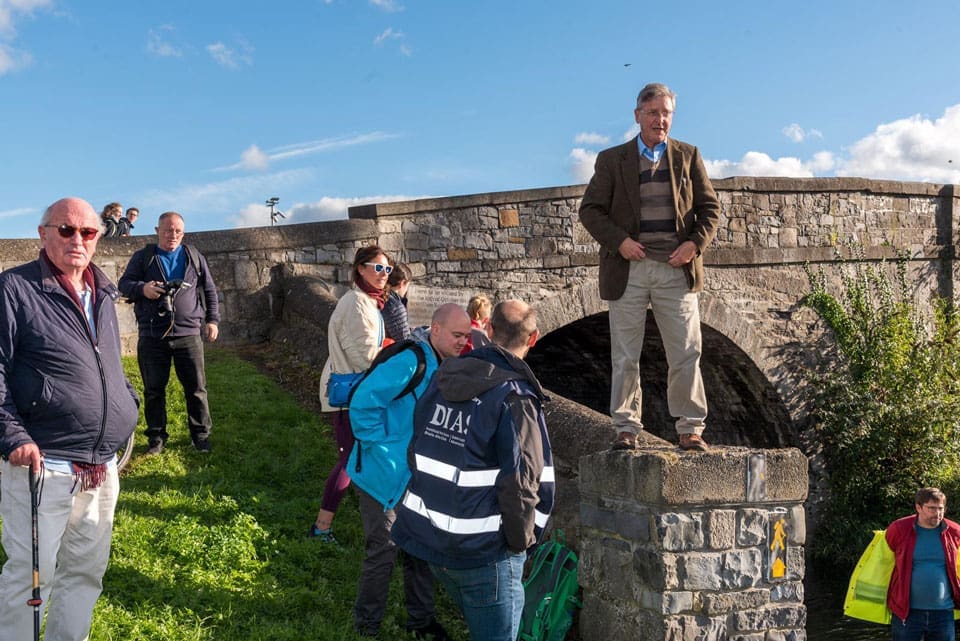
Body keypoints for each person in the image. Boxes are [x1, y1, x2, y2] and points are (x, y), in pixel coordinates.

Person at [0, 197, 140, 640]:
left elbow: (107, 364)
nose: (77, 239)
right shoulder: (14, 289)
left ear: (98, 238)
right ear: (43, 235)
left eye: (88, 232)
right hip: (43, 463)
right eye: (66, 230)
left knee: (84, 573)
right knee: (30, 576)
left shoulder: (102, 291)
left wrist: (127, 403)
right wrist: (13, 435)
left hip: (101, 464)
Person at [393, 300, 555, 641]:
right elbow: (522, 484)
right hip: (486, 554)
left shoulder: (443, 378)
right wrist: (520, 545)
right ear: (535, 337)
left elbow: (418, 447)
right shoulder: (515, 397)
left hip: (431, 541)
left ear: (489, 331)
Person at [578, 82, 721, 452]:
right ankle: (626, 427)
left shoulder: (688, 156)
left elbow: (710, 210)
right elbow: (591, 210)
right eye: (654, 112)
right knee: (626, 352)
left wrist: (694, 244)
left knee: (686, 351)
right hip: (630, 266)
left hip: (676, 267)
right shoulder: (612, 160)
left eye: (667, 113)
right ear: (638, 115)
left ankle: (690, 428)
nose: (661, 120)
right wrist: (619, 242)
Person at [348, 303, 472, 639]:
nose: (464, 341)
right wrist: (385, 451)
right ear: (435, 329)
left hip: (416, 477)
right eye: (457, 335)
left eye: (467, 336)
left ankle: (421, 621)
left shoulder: (444, 364)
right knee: (384, 549)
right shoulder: (412, 360)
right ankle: (367, 626)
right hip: (383, 475)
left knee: (420, 548)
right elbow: (362, 404)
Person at [310, 246, 394, 543]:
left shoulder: (366, 301)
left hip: (358, 393)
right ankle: (321, 528)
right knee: (349, 460)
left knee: (360, 458)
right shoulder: (358, 303)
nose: (383, 275)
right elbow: (365, 357)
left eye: (388, 270)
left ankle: (373, 520)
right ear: (360, 268)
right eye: (377, 268)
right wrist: (396, 354)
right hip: (352, 395)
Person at [118, 211, 220, 454]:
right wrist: (143, 289)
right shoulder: (144, 257)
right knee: (154, 390)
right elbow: (124, 285)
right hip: (153, 335)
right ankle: (156, 438)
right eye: (168, 230)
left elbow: (209, 290)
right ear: (157, 230)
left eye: (178, 231)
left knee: (196, 388)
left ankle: (200, 436)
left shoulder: (193, 257)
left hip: (189, 334)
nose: (173, 235)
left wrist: (213, 320)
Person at [885, 488, 960, 641]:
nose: (937, 513)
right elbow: (886, 561)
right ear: (918, 507)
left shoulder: (955, 532)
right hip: (907, 612)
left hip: (943, 613)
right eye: (931, 508)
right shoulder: (899, 529)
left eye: (940, 508)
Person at [382, 261, 413, 342]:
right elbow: (404, 340)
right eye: (407, 286)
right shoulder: (395, 306)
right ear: (402, 283)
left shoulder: (380, 297)